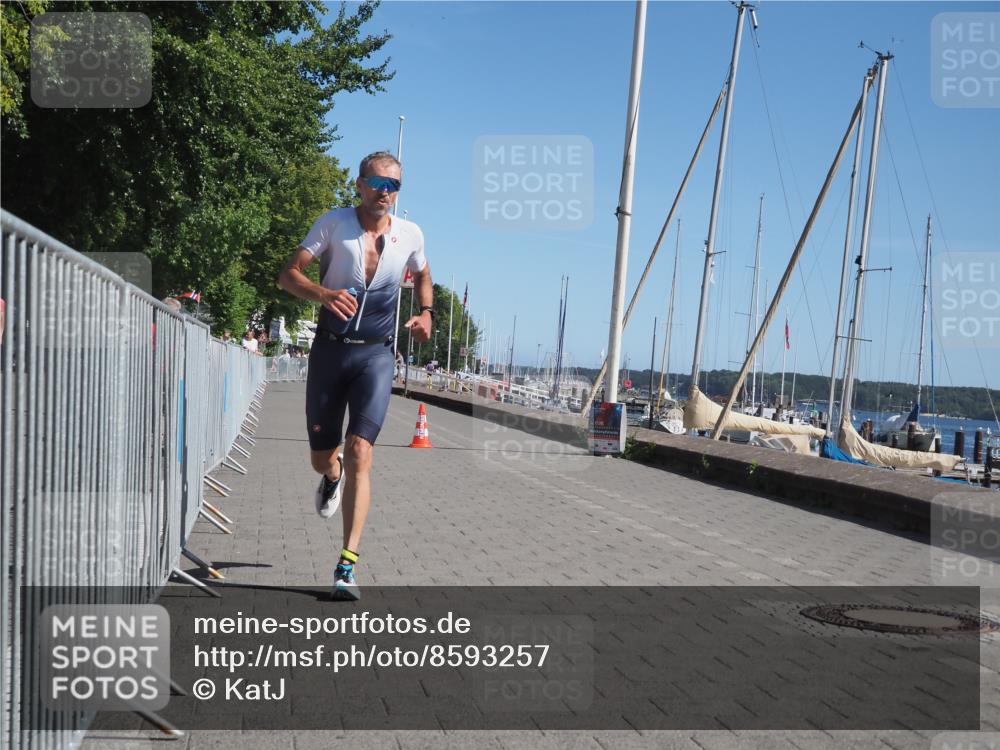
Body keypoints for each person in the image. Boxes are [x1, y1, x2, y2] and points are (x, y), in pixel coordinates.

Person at [278, 150, 432, 600]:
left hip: (376, 357)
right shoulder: (333, 223)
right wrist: (322, 292)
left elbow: (424, 276)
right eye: (378, 183)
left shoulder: (411, 235)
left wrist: (426, 313)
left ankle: (346, 565)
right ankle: (331, 476)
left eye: (394, 186)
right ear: (360, 184)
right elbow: (287, 274)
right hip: (329, 353)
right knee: (323, 457)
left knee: (361, 450)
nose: (386, 193)